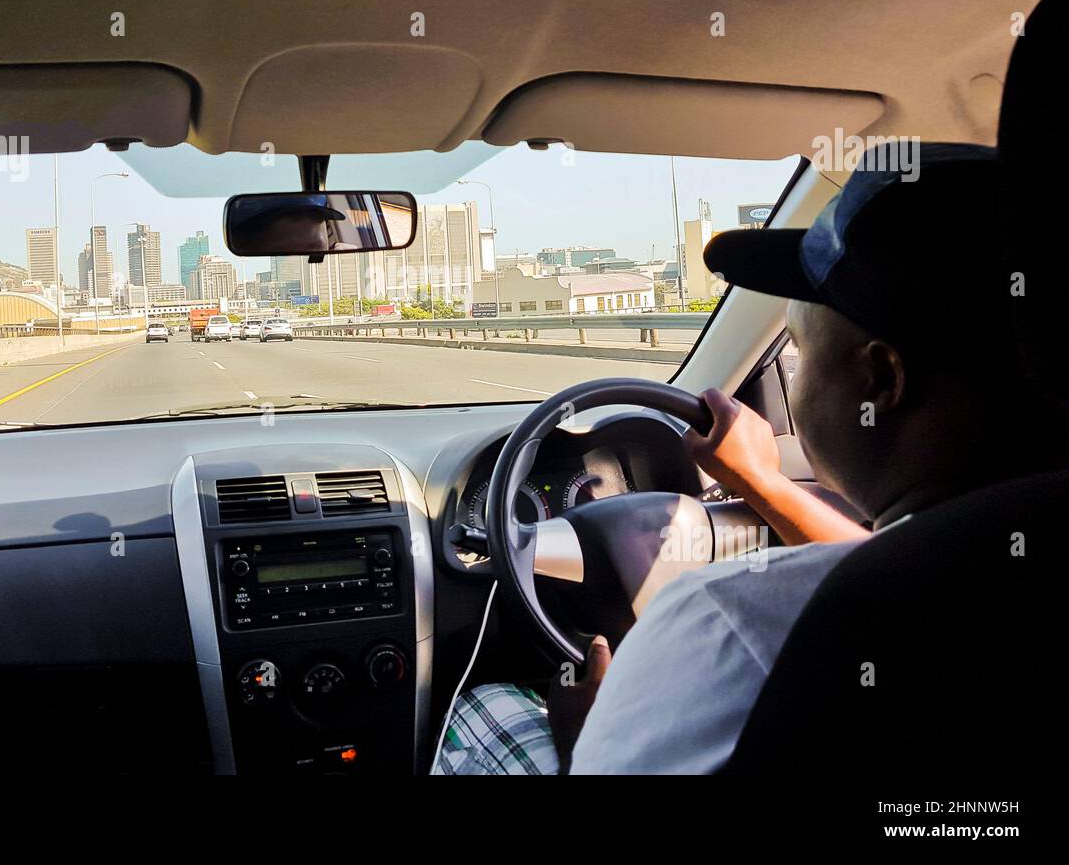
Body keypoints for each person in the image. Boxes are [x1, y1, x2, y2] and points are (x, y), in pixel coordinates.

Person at [437, 140, 1065, 775]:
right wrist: (762, 483)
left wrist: (589, 741)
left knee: (487, 706)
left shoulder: (725, 623)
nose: (792, 376)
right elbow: (885, 560)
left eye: (798, 349)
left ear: (882, 380)